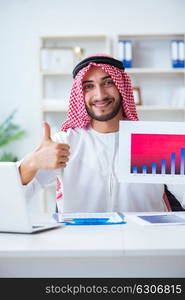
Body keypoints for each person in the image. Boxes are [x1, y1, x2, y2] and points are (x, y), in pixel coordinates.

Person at [19, 53, 185, 213]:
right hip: (80, 241)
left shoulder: (154, 142)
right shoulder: (65, 143)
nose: (100, 95)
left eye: (108, 83)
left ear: (122, 87)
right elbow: (14, 197)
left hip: (146, 240)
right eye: (89, 86)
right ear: (79, 94)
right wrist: (32, 162)